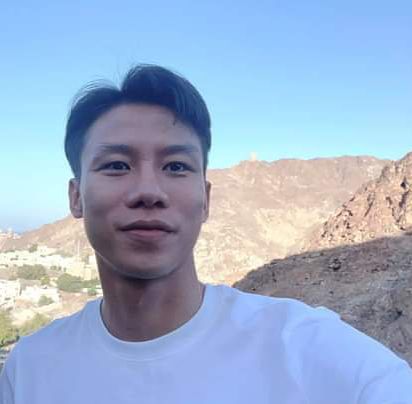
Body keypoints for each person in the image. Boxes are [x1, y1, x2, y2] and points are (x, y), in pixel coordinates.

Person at [1, 64, 411, 404]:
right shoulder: (31, 368)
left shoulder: (312, 352)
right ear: (76, 197)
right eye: (117, 165)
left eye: (176, 167)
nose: (149, 191)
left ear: (206, 199)